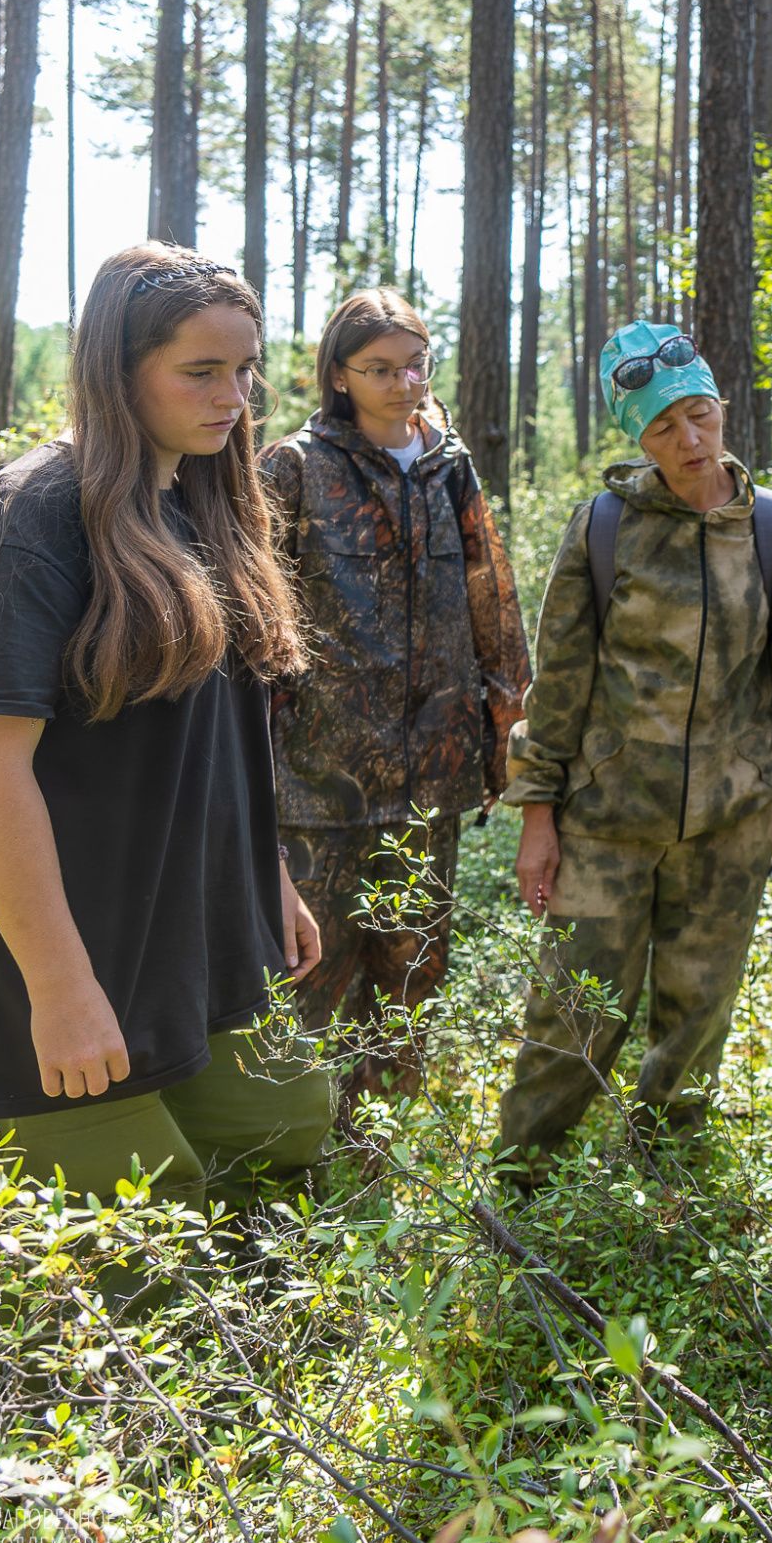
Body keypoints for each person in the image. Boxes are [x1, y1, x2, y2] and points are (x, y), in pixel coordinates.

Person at [0, 243, 332, 1213]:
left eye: (244, 368)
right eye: (200, 370)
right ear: (117, 367)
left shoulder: (202, 503)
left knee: (289, 1131)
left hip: (195, 944)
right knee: (122, 1236)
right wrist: (59, 990)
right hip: (62, 961)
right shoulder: (31, 519)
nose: (233, 396)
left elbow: (214, 739)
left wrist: (265, 874)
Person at [494, 321, 772, 1177]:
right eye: (663, 427)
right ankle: (521, 1186)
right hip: (606, 830)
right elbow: (561, 684)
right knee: (573, 1018)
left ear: (722, 410)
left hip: (728, 830)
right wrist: (538, 818)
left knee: (697, 1020)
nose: (689, 441)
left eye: (699, 415)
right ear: (639, 439)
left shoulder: (770, 530)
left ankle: (669, 1200)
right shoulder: (605, 529)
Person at [260, 289, 530, 1106]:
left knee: (411, 983)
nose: (403, 383)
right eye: (379, 368)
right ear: (339, 374)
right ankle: (298, 1172)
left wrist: (507, 720)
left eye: (415, 364)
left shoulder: (450, 465)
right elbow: (253, 624)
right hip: (316, 786)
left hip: (431, 780)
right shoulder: (294, 467)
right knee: (309, 985)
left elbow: (492, 595)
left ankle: (383, 1164)